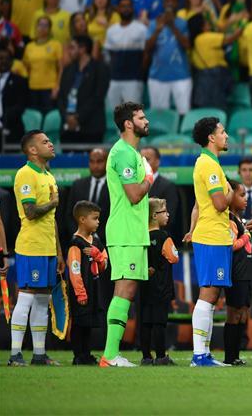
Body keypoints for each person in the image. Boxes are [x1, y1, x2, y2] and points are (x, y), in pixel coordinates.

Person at [101, 102, 153, 368]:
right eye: (141, 117)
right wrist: (149, 179)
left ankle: (111, 354)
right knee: (124, 290)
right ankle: (110, 355)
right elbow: (134, 194)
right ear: (129, 123)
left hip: (132, 231)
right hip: (124, 231)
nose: (147, 121)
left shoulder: (130, 152)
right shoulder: (122, 153)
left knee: (126, 290)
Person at [183, 117, 234, 367]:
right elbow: (220, 203)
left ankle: (203, 353)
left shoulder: (206, 162)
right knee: (208, 295)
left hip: (211, 235)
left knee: (211, 295)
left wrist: (192, 230)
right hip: (212, 237)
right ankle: (200, 355)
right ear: (211, 138)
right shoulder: (209, 165)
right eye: (223, 132)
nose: (227, 136)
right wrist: (232, 191)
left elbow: (197, 205)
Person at [9, 129, 63, 367]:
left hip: (48, 248)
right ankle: (15, 354)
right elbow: (30, 213)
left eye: (50, 140)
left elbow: (53, 219)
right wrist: (51, 203)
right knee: (27, 296)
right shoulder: (25, 174)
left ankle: (39, 354)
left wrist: (59, 252)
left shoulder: (49, 176)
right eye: (45, 142)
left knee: (43, 299)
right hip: (31, 247)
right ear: (32, 150)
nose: (51, 144)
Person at [66, 200, 107, 366]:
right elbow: (74, 269)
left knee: (88, 323)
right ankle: (78, 356)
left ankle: (87, 354)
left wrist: (98, 256)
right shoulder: (76, 243)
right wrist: (80, 292)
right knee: (79, 322)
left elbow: (105, 264)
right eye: (95, 218)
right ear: (82, 219)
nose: (98, 222)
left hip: (94, 288)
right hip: (81, 290)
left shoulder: (96, 242)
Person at [139, 197, 178, 366]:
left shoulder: (140, 237)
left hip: (144, 286)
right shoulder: (164, 236)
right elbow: (174, 257)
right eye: (164, 212)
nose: (168, 215)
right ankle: (161, 356)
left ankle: (146, 357)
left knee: (146, 321)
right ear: (155, 215)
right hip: (161, 287)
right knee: (159, 322)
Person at [57, 35, 110, 144]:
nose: (69, 51)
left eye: (72, 48)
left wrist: (78, 117)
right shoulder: (68, 69)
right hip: (68, 128)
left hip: (91, 128)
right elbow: (61, 97)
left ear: (82, 49)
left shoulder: (100, 68)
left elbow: (98, 97)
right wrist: (67, 117)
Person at [223, 181, 252, 366]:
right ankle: (229, 356)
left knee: (243, 312)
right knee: (234, 312)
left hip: (246, 271)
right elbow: (232, 245)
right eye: (241, 195)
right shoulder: (229, 220)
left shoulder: (239, 219)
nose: (246, 199)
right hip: (236, 272)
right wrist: (247, 236)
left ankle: (237, 354)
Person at [103, 0, 147, 107]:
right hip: (114, 79)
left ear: (132, 8)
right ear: (118, 9)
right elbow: (109, 55)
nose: (126, 9)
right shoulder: (111, 30)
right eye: (123, 6)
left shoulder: (141, 29)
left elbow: (146, 54)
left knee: (133, 114)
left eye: (128, 6)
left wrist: (140, 73)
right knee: (113, 113)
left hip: (134, 79)